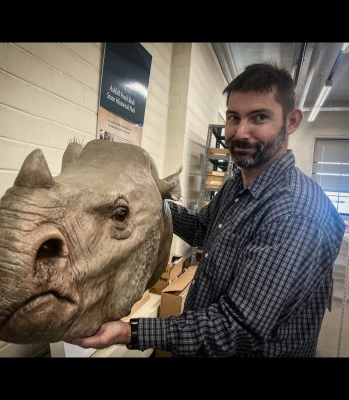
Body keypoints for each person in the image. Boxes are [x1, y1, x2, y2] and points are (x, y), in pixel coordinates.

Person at [69, 62, 346, 357]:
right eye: (233, 117)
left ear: (291, 122)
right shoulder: (236, 185)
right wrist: (145, 201)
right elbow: (202, 228)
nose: (241, 132)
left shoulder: (294, 212)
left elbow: (234, 329)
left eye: (259, 117)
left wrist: (130, 331)